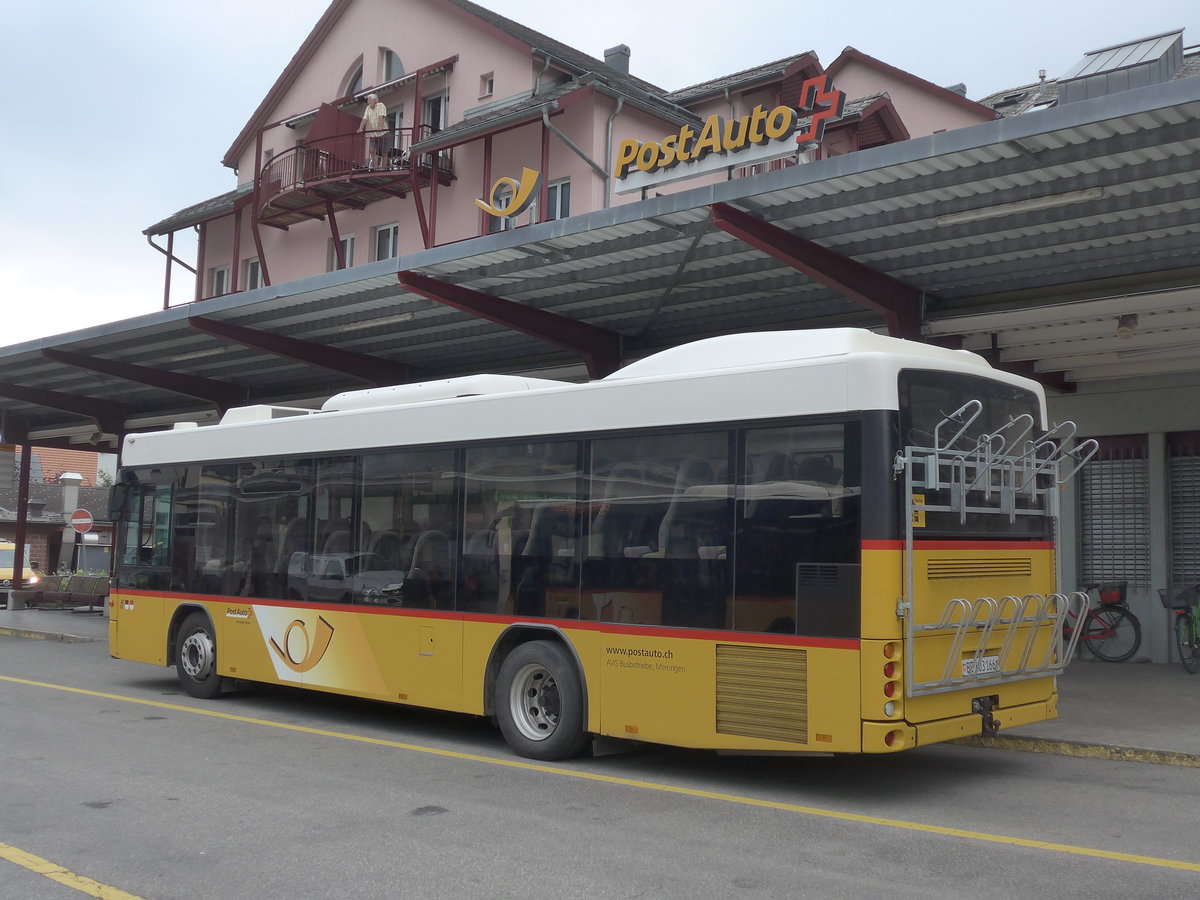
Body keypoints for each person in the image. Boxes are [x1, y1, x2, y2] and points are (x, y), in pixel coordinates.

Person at [357, 93, 389, 169]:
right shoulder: (368, 108)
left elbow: (381, 116)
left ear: (375, 100)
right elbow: (365, 119)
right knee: (372, 151)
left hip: (384, 133)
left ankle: (384, 169)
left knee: (384, 152)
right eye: (368, 99)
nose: (368, 101)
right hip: (374, 134)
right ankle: (376, 168)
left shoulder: (381, 105)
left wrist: (380, 126)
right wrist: (360, 128)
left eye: (369, 99)